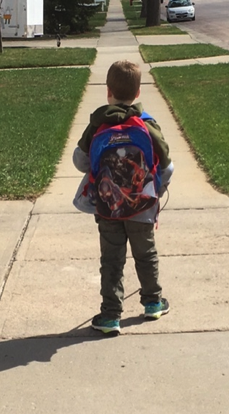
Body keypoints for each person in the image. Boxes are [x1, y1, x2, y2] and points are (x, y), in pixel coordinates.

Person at [73, 60, 174, 334]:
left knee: (112, 260)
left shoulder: (98, 123)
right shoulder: (147, 125)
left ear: (108, 91)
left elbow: (80, 162)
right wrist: (154, 193)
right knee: (146, 254)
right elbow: (168, 166)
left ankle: (110, 316)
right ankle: (153, 303)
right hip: (142, 206)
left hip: (108, 208)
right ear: (138, 92)